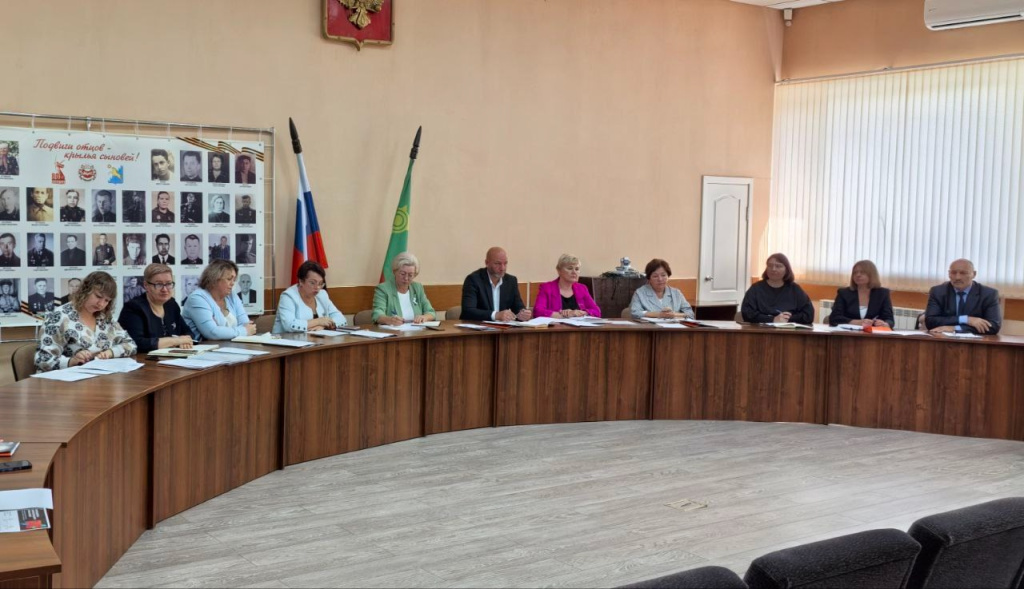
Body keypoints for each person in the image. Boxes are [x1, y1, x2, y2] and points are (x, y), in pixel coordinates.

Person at [34, 271, 138, 372]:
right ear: (85, 290)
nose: (101, 304)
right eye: (98, 296)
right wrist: (71, 361)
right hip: (65, 379)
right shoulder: (59, 316)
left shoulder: (105, 317)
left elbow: (131, 345)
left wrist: (110, 352)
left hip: (99, 377)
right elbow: (42, 359)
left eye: (107, 300)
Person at [117, 263, 194, 353]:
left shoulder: (171, 304)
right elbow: (136, 343)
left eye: (168, 284)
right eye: (159, 284)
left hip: (172, 357)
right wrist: (176, 341)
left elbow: (188, 333)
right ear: (146, 285)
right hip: (142, 359)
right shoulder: (133, 308)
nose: (165, 289)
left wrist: (184, 341)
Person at [182, 259, 257, 340]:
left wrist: (224, 331)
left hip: (230, 345)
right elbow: (212, 333)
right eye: (229, 279)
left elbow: (246, 324)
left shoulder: (232, 295)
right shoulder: (197, 298)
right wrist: (243, 331)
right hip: (203, 346)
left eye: (234, 280)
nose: (232, 283)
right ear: (214, 279)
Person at [924, 258, 1001, 335]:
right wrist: (966, 319)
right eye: (953, 273)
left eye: (963, 273)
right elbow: (930, 321)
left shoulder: (988, 294)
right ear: (949, 274)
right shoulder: (938, 292)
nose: (957, 277)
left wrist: (955, 328)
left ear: (974, 274)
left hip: (975, 341)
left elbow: (993, 326)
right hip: (943, 339)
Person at [460, 247, 531, 322]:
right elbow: (468, 311)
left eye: (505, 263)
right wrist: (496, 315)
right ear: (487, 263)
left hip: (503, 328)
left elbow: (518, 307)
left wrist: (523, 314)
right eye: (497, 263)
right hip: (479, 327)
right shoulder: (473, 280)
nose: (502, 268)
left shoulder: (511, 281)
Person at [274, 261, 347, 333]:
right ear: (301, 281)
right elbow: (289, 325)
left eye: (320, 283)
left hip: (316, 339)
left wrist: (324, 326)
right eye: (312, 283)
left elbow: (341, 319)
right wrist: (318, 321)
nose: (317, 287)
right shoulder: (288, 296)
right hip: (286, 339)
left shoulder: (322, 295)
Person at [741, 253, 814, 324]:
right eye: (770, 265)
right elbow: (747, 314)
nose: (773, 269)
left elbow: (809, 315)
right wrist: (773, 319)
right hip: (761, 330)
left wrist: (786, 319)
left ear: (786, 269)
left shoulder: (795, 289)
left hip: (788, 330)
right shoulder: (755, 289)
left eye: (778, 266)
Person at [372, 252, 436, 325]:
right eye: (402, 274)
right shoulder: (383, 289)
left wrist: (424, 317)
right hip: (394, 331)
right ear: (394, 271)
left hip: (417, 331)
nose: (406, 278)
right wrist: (389, 320)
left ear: (415, 275)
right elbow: (377, 314)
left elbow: (431, 312)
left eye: (410, 275)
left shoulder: (417, 288)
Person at [828, 260, 894, 328]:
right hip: (848, 332)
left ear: (872, 275)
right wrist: (857, 322)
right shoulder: (844, 293)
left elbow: (889, 319)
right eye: (855, 272)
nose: (858, 275)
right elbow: (834, 318)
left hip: (872, 333)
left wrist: (885, 324)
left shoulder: (883, 294)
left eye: (862, 272)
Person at [533, 254, 601, 318]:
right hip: (556, 326)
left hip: (580, 326)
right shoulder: (547, 288)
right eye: (570, 268)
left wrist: (581, 313)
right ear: (559, 271)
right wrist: (565, 315)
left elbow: (597, 311)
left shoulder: (582, 288)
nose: (574, 272)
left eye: (577, 269)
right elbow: (537, 312)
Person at [628, 258, 694, 320]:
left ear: (668, 276)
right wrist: (659, 314)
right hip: (650, 328)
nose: (660, 279)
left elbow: (690, 314)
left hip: (673, 327)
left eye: (663, 275)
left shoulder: (676, 293)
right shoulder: (640, 293)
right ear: (649, 278)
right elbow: (634, 313)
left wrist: (674, 315)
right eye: (655, 276)